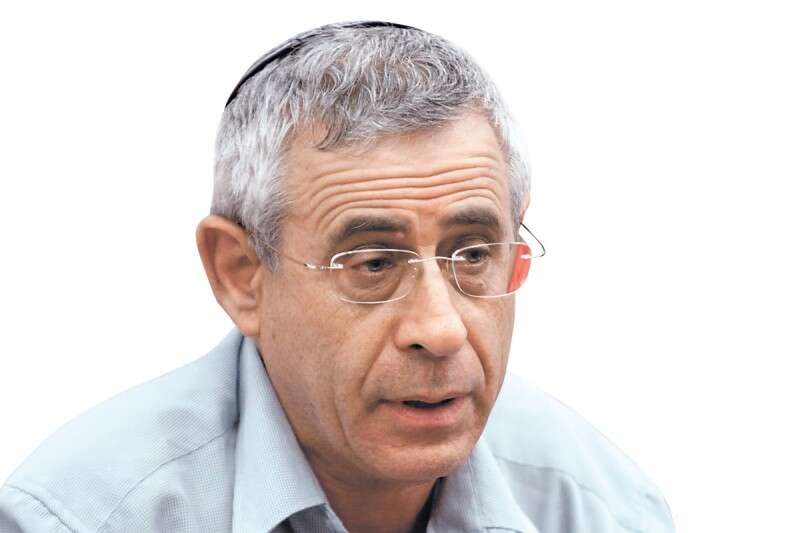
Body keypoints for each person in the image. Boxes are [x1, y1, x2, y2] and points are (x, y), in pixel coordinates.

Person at [0, 21, 674, 533]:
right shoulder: (80, 516)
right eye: (374, 264)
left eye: (472, 254)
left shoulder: (601, 508)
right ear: (241, 275)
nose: (440, 329)